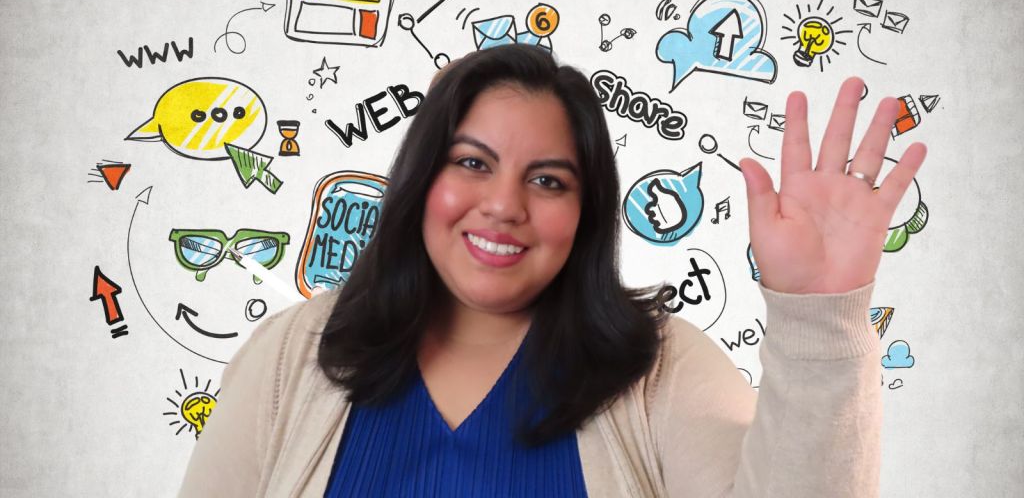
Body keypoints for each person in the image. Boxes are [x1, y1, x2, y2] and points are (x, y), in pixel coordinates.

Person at [178, 45, 926, 497]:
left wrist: (817, 314)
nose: (503, 206)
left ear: (587, 211)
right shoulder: (295, 354)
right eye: (472, 163)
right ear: (420, 180)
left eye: (548, 181)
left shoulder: (659, 371)